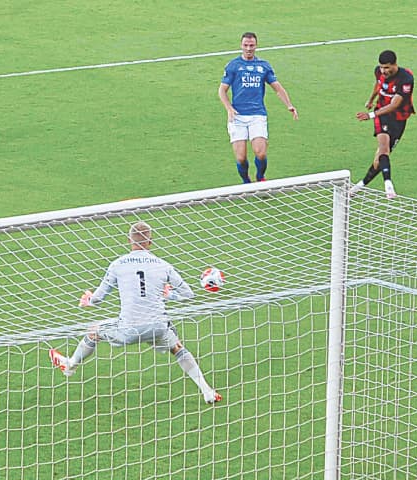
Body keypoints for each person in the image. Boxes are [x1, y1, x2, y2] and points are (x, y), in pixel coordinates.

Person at [49, 221, 222, 405]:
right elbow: (188, 294)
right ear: (150, 242)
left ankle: (70, 365)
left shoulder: (117, 264)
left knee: (94, 330)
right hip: (158, 327)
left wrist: (89, 300)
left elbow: (98, 298)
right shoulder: (163, 265)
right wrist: (169, 294)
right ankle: (207, 391)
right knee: (177, 347)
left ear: (129, 240)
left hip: (129, 329)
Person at [218, 32, 299, 184]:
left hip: (257, 115)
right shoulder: (233, 66)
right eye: (246, 45)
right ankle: (246, 182)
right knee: (241, 157)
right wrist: (229, 108)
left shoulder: (263, 66)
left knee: (260, 153)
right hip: (237, 117)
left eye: (251, 45)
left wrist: (289, 105)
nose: (248, 48)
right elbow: (222, 90)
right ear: (241, 46)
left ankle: (260, 177)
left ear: (256, 46)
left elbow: (277, 88)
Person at [350, 50, 415, 199]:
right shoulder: (378, 72)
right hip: (382, 115)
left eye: (386, 68)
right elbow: (378, 84)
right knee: (384, 148)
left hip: (399, 118)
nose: (383, 71)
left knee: (378, 161)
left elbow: (395, 105)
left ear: (394, 64)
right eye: (381, 67)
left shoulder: (406, 79)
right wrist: (371, 99)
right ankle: (388, 185)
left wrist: (370, 115)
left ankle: (358, 186)